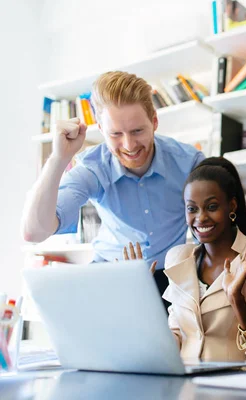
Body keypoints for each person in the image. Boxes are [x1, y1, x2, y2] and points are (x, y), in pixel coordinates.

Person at [21, 71, 204, 299]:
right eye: (116, 134)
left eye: (137, 131)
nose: (128, 145)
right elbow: (34, 232)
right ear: (100, 128)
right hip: (111, 272)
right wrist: (59, 159)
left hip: (171, 275)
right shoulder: (94, 167)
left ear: (154, 121)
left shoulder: (189, 162)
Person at [156, 157, 246, 361]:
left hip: (236, 385)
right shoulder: (178, 258)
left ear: (231, 206)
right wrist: (142, 307)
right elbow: (176, 334)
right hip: (185, 385)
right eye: (192, 208)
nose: (201, 217)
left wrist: (237, 299)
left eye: (212, 207)